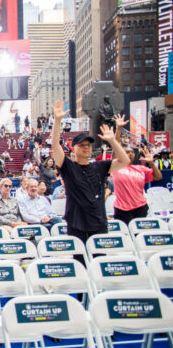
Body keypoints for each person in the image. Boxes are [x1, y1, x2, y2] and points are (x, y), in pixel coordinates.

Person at [50, 102, 130, 244]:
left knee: (99, 260)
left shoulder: (100, 166)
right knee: (80, 261)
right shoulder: (68, 166)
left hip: (99, 222)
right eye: (81, 145)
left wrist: (112, 140)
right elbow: (55, 146)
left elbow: (124, 161)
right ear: (73, 149)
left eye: (88, 145)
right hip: (76, 223)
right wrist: (57, 121)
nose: (86, 147)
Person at [112, 145, 161, 224]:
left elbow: (158, 177)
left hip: (140, 207)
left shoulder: (141, 168)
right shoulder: (116, 167)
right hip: (122, 208)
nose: (130, 154)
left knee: (138, 233)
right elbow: (115, 147)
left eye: (132, 152)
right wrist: (118, 132)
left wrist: (152, 163)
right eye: (127, 152)